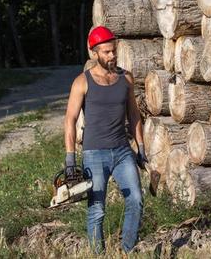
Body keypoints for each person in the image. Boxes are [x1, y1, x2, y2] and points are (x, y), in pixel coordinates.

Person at [63, 26, 148, 254]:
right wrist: (70, 158)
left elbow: (134, 115)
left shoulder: (125, 78)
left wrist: (140, 147)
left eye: (113, 51)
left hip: (122, 152)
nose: (112, 56)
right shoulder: (82, 82)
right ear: (94, 53)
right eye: (106, 52)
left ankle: (126, 251)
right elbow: (70, 120)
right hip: (94, 154)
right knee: (97, 210)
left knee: (136, 200)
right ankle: (98, 255)